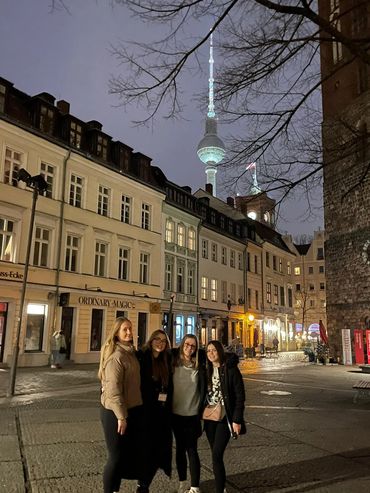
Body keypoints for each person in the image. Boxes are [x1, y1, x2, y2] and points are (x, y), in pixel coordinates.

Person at [98, 317, 143, 493]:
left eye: (130, 329)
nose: (129, 332)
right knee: (115, 457)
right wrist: (121, 416)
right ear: (116, 332)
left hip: (127, 410)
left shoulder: (130, 353)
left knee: (121, 456)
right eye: (125, 329)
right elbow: (113, 390)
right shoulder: (116, 357)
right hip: (114, 413)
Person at [203, 340, 245, 493]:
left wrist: (237, 420)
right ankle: (222, 487)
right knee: (216, 456)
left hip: (224, 417)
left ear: (220, 351)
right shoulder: (206, 369)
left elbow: (240, 395)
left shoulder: (230, 369)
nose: (211, 353)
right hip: (209, 417)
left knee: (216, 454)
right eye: (208, 351)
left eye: (213, 350)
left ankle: (220, 490)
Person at [136, 329, 173, 492]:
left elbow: (191, 350)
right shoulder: (141, 357)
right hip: (144, 413)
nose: (160, 343)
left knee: (158, 454)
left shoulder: (166, 360)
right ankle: (141, 486)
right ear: (151, 341)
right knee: (145, 452)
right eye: (157, 339)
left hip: (161, 415)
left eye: (163, 341)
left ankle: (144, 485)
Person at [172, 334, 206, 493]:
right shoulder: (173, 362)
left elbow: (220, 355)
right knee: (179, 449)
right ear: (182, 344)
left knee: (192, 450)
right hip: (175, 414)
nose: (189, 348)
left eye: (193, 346)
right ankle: (182, 482)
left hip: (192, 415)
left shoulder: (199, 365)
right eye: (187, 344)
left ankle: (195, 487)